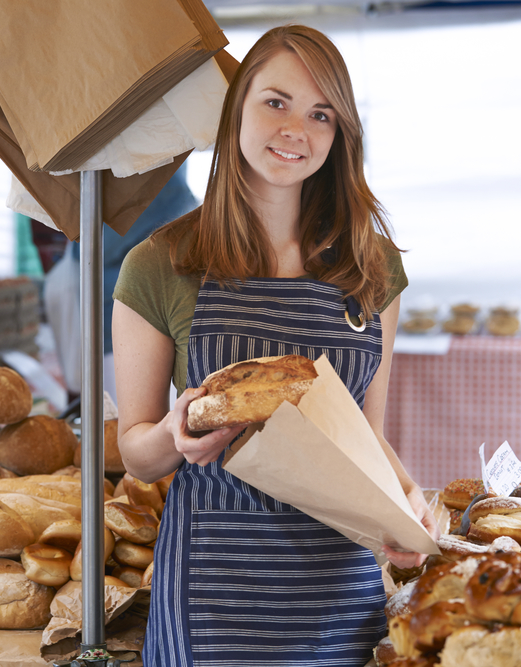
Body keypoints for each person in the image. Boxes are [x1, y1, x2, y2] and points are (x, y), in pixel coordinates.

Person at [111, 25, 440, 665]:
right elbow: (138, 456)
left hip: (337, 581)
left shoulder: (372, 268)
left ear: (340, 134)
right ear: (237, 109)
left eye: (321, 114)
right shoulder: (159, 265)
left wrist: (408, 508)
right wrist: (175, 432)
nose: (297, 129)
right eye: (276, 102)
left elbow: (364, 434)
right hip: (212, 583)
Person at [43, 165, 198, 403]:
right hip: (116, 308)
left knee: (129, 413)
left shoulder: (164, 186)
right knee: (119, 413)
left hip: (132, 307)